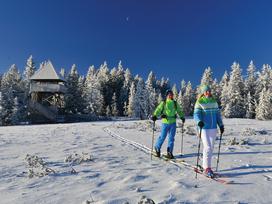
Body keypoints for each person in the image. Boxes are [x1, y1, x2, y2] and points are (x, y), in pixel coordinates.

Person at [193, 85, 224, 178]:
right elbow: (196, 114)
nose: (208, 92)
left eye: (209, 91)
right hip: (204, 128)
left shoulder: (214, 102)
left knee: (210, 148)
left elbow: (218, 115)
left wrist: (221, 125)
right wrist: (199, 122)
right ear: (203, 92)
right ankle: (207, 168)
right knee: (208, 147)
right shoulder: (200, 102)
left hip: (213, 128)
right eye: (206, 91)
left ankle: (205, 165)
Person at [151, 89, 185, 159]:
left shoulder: (175, 103)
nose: (170, 95)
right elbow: (158, 109)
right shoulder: (164, 103)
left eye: (171, 94)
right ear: (166, 95)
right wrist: (155, 115)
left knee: (171, 138)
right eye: (169, 94)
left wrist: (182, 117)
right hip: (165, 122)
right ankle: (157, 147)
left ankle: (169, 152)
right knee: (163, 137)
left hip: (173, 123)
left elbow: (179, 110)